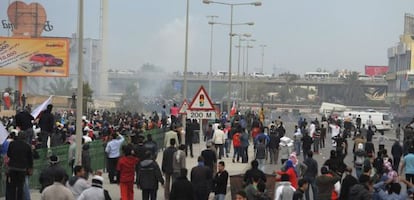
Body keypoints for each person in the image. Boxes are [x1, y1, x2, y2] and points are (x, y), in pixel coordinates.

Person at [6, 131, 33, 200]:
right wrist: (30, 169)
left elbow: (9, 154)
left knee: (12, 186)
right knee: (20, 187)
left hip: (12, 168)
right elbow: (30, 159)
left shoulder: (12, 144)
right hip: (22, 169)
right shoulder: (27, 146)